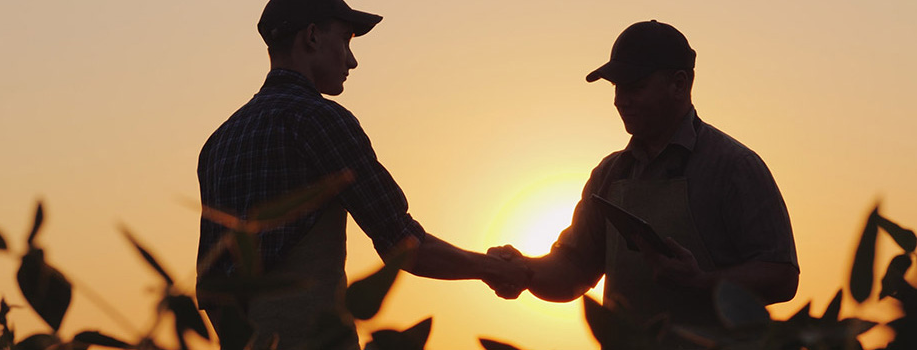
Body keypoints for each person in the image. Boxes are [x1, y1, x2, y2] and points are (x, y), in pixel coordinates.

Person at [195, 0, 529, 349]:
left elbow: (211, 287)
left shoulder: (218, 143)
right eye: (346, 39)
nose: (352, 60)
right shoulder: (320, 121)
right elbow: (404, 244)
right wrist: (495, 269)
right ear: (311, 36)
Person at [487, 20, 799, 347]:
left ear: (679, 84)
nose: (620, 100)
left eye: (634, 86)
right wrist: (522, 270)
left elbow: (782, 277)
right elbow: (573, 272)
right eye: (616, 88)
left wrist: (703, 281)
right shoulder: (609, 174)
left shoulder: (735, 167)